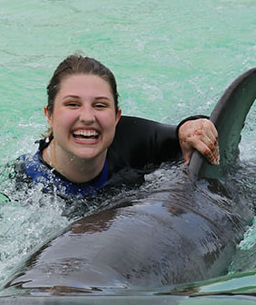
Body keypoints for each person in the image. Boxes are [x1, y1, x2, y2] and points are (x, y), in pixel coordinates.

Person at [13, 54, 220, 198]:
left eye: (100, 105)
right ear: (49, 115)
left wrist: (191, 128)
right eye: (72, 104)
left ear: (116, 116)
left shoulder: (130, 139)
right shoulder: (24, 183)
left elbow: (182, 135)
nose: (87, 117)